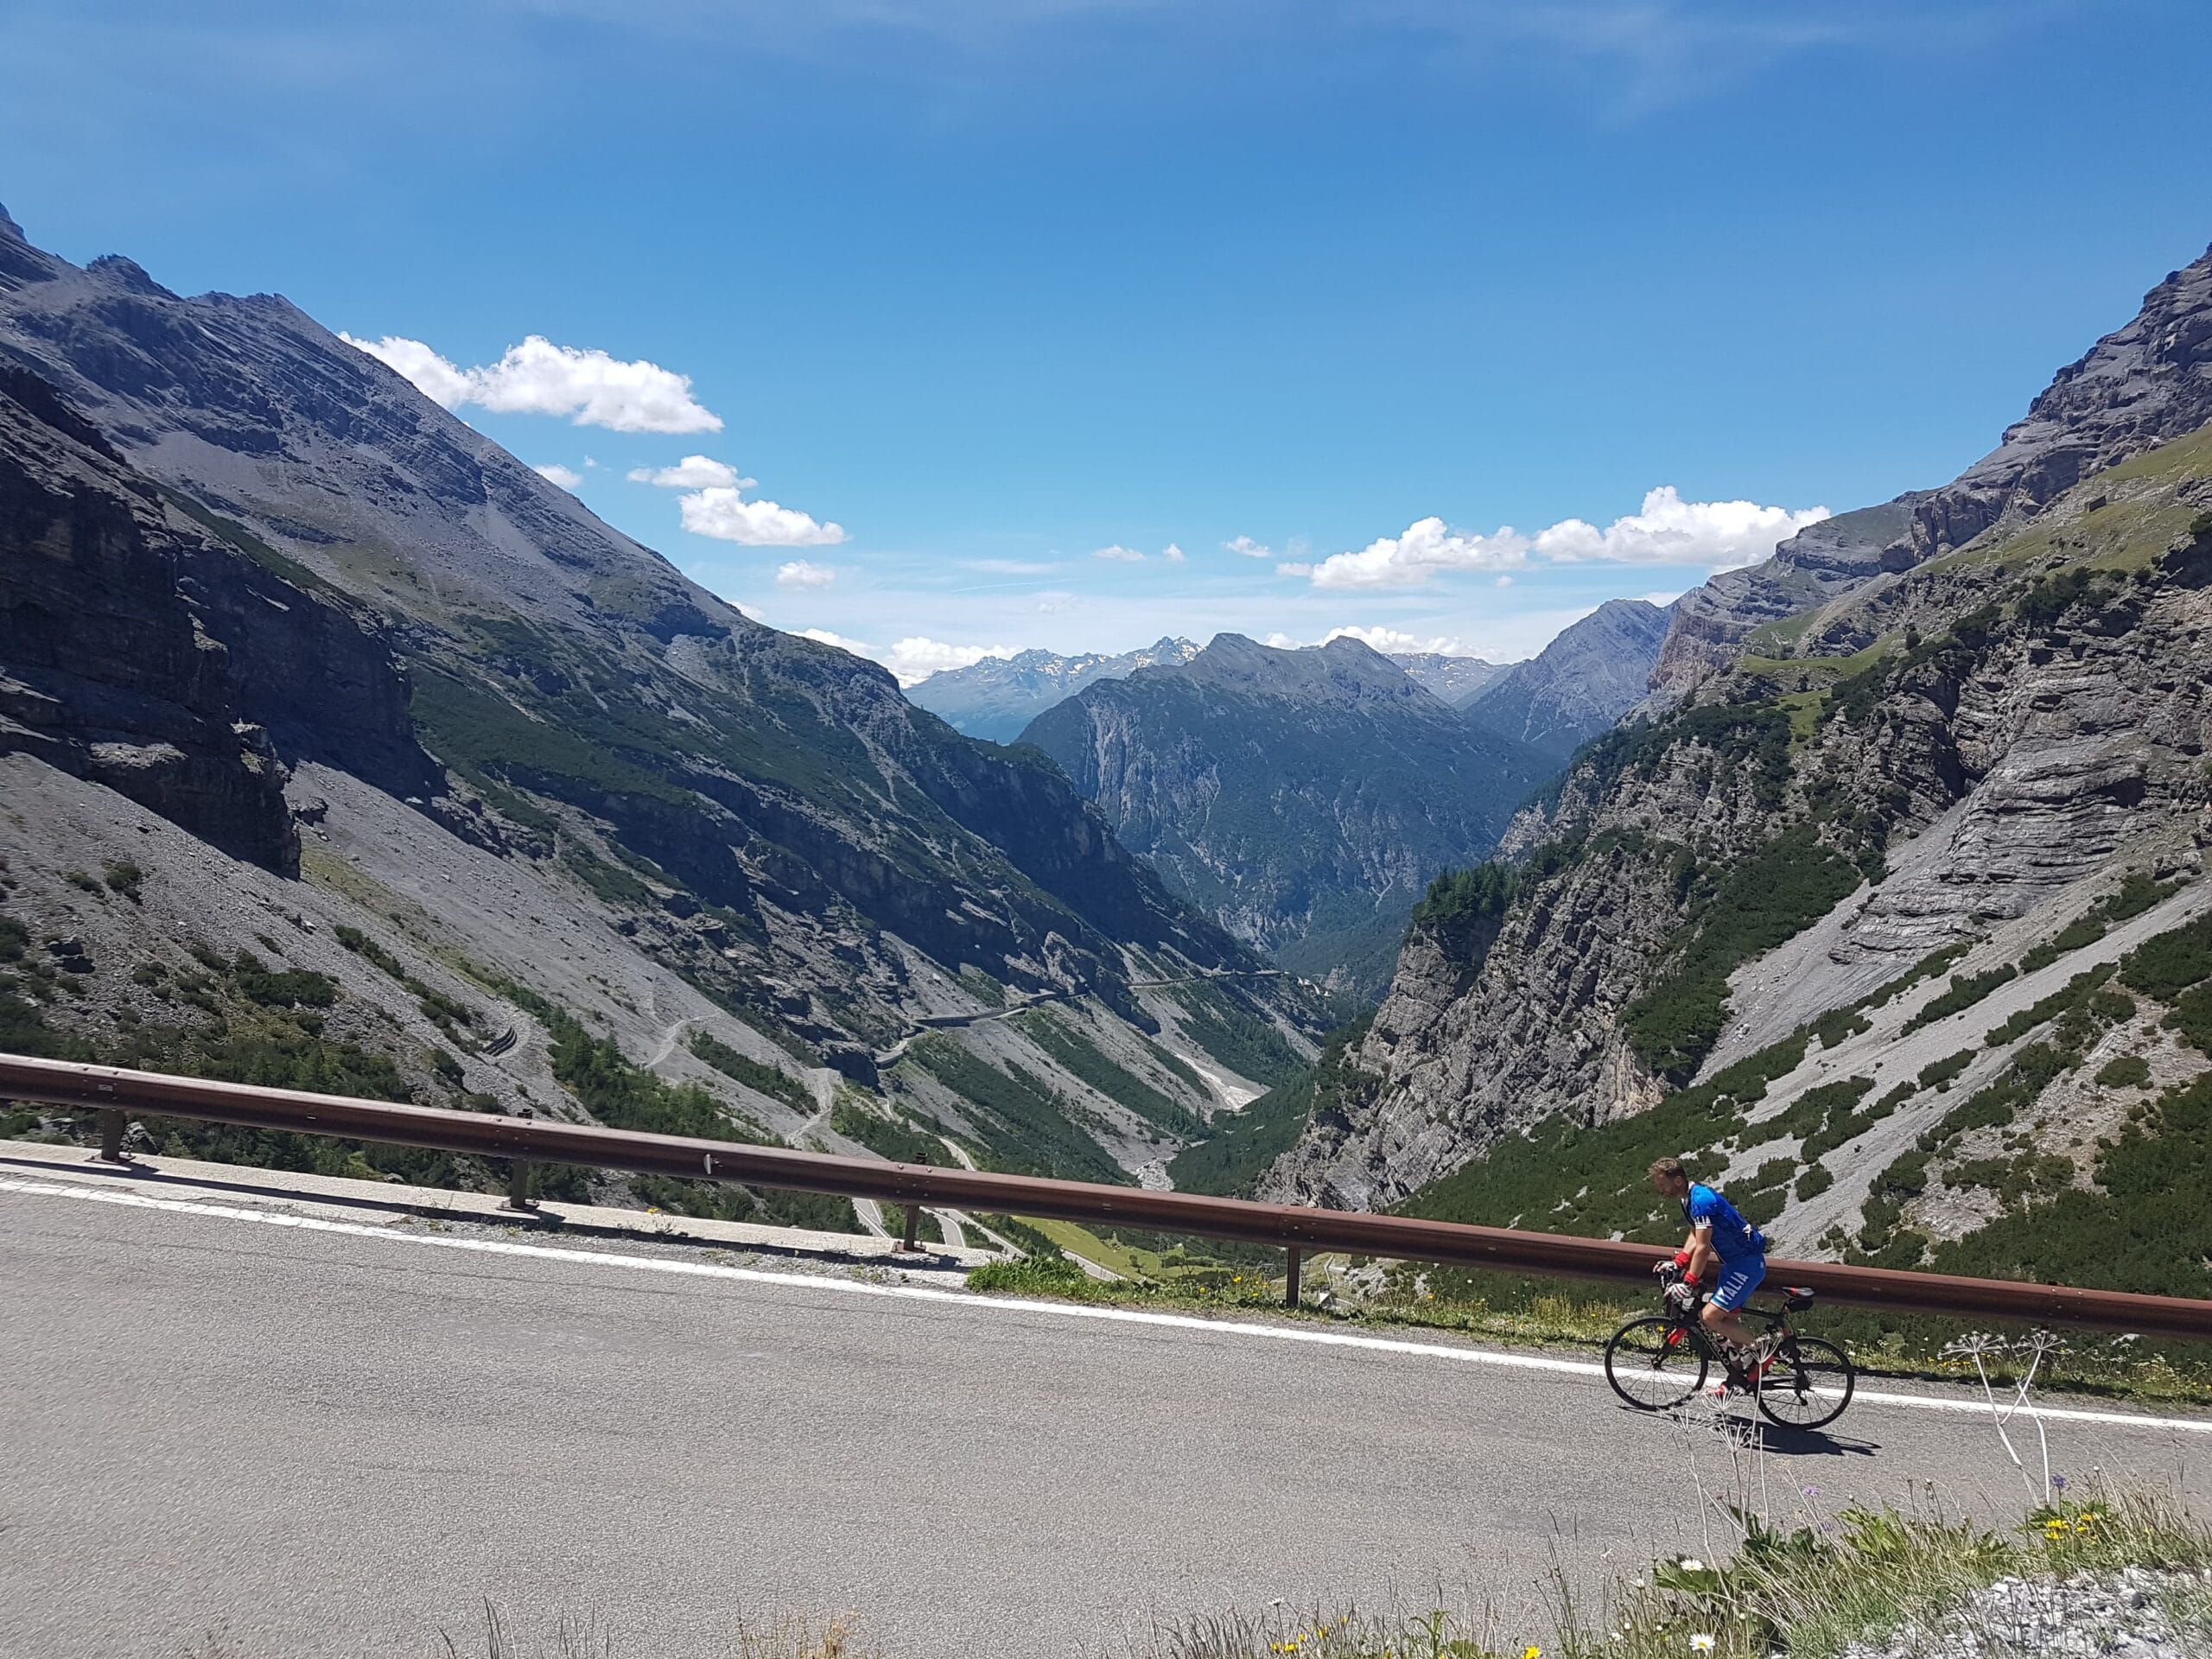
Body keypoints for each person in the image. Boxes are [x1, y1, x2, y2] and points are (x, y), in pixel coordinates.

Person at [1647, 1156, 1773, 1381]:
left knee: (1710, 1316)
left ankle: (1764, 1351)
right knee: (1727, 1320)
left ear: (1677, 1180)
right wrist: (1678, 1262)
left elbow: (1704, 1248)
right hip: (1733, 1266)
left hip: (1746, 1265)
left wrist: (1688, 1282)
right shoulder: (1688, 1199)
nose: (1661, 1190)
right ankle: (1743, 1375)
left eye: (1662, 1185)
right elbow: (1695, 1236)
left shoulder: (1701, 1201)